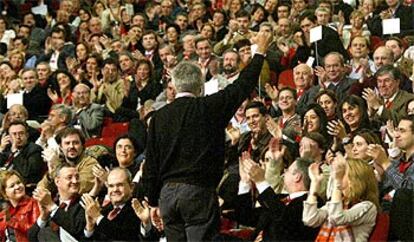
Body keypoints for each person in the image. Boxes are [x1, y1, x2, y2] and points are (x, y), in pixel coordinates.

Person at [142, 31, 272, 241]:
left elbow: (151, 163)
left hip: (167, 196)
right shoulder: (209, 107)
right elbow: (243, 85)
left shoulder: (158, 117)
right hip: (198, 194)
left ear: (174, 86)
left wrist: (154, 201)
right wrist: (260, 52)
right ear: (201, 85)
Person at [234, 156, 320, 241]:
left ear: (297, 177)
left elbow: (283, 222)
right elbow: (245, 216)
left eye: (288, 170)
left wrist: (261, 182)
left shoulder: (311, 203)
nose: (284, 171)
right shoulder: (280, 198)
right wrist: (245, 182)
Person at [303, 155, 380, 241]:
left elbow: (336, 218)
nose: (335, 175)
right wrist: (315, 183)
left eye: (342, 173)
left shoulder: (368, 207)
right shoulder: (341, 202)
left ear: (354, 178)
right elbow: (310, 219)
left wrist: (337, 182)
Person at [82, 168, 156, 241]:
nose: (115, 190)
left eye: (120, 185)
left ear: (131, 187)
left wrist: (146, 223)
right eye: (111, 186)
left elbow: (124, 236)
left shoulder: (138, 209)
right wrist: (90, 227)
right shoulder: (103, 210)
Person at [0, 121, 45, 187]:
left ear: (27, 135)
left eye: (21, 133)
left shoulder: (35, 150)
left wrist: (15, 152)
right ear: (9, 136)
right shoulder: (7, 148)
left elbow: (27, 173)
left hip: (22, 186)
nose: (18, 137)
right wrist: (1, 149)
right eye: (14, 134)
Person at [0, 170, 40, 242]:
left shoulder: (35, 203)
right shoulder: (3, 215)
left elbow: (34, 232)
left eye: (19, 182)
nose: (18, 186)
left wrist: (13, 223)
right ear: (4, 193)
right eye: (12, 186)